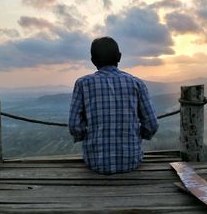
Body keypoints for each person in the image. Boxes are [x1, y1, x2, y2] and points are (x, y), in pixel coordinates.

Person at [68, 36, 159, 175]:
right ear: (119, 57)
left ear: (93, 61)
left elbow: (75, 125)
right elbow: (152, 124)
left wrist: (86, 136)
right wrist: (136, 137)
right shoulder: (137, 83)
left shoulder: (82, 84)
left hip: (95, 163)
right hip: (131, 161)